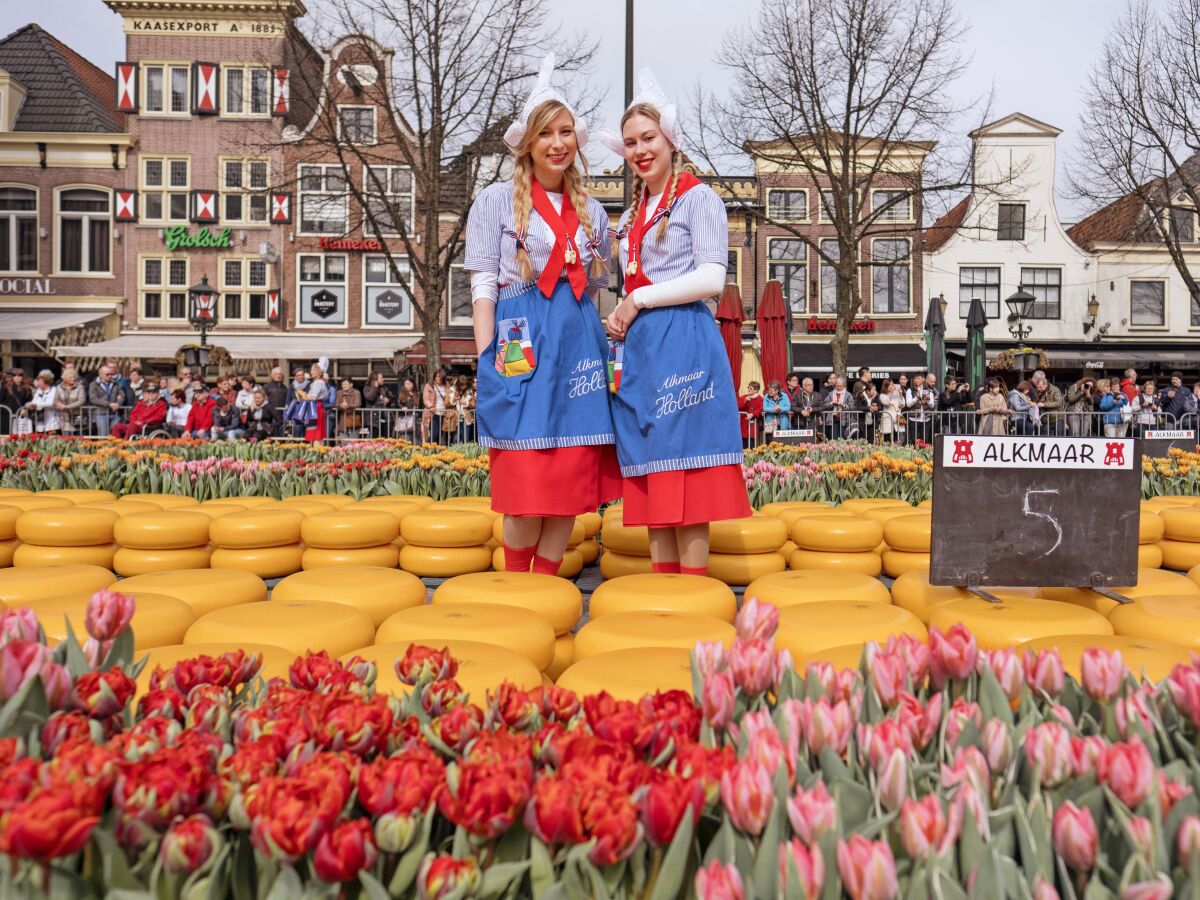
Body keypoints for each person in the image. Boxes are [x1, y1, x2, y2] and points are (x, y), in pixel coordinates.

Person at [466, 55, 621, 576]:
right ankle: (516, 586)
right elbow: (484, 281)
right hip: (519, 333)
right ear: (527, 142)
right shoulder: (492, 201)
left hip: (576, 343)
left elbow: (597, 282)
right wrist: (487, 355)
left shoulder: (594, 212)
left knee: (566, 485)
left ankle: (545, 587)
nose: (559, 143)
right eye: (546, 133)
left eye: (567, 132)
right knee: (525, 480)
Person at [600, 68, 750, 575]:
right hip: (642, 349)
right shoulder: (628, 216)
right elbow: (612, 280)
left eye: (648, 138)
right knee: (655, 472)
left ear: (670, 140)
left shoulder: (699, 198)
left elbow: (712, 276)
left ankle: (692, 594)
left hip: (684, 339)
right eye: (630, 143)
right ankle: (665, 593)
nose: (640, 150)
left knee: (687, 472)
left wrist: (637, 301)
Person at [87, 365, 122, 437]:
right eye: (107, 374)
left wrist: (118, 404)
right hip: (101, 414)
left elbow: (122, 395)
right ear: (101, 374)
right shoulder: (94, 384)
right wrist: (109, 404)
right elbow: (93, 399)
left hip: (114, 413)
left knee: (115, 435)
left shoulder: (116, 383)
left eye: (111, 374)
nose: (110, 376)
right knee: (103, 436)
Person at [904, 373, 936, 444]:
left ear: (923, 379)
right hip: (914, 419)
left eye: (918, 378)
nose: (916, 380)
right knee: (914, 441)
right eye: (915, 378)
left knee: (925, 440)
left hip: (926, 419)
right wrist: (916, 398)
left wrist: (928, 400)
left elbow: (932, 405)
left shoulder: (929, 390)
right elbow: (908, 404)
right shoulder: (910, 390)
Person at [1030, 371, 1064, 435]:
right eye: (1037, 387)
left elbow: (1058, 402)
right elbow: (1035, 402)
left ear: (1045, 384)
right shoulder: (1038, 391)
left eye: (1040, 387)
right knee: (1046, 439)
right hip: (1045, 419)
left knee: (1059, 438)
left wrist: (1044, 404)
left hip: (1057, 418)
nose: (1039, 389)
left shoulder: (1055, 389)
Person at [362, 372, 393, 437]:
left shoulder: (384, 388)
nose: (383, 379)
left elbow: (392, 398)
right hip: (373, 419)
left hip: (384, 417)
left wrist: (388, 400)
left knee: (385, 437)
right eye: (381, 378)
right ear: (375, 379)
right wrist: (375, 387)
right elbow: (370, 398)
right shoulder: (367, 388)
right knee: (374, 438)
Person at [55, 369, 86, 435]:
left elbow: (81, 400)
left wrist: (66, 407)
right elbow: (55, 400)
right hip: (64, 419)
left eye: (74, 377)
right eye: (70, 377)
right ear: (65, 378)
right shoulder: (59, 387)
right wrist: (58, 404)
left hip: (77, 418)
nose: (73, 379)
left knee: (79, 440)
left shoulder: (80, 387)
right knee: (66, 440)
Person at [424, 368, 449, 444]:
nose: (439, 378)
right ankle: (429, 450)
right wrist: (431, 406)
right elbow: (425, 398)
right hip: (433, 413)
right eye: (437, 376)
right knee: (434, 434)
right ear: (434, 376)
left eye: (441, 377)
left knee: (440, 435)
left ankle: (436, 452)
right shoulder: (429, 386)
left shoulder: (447, 385)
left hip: (444, 414)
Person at [878, 378, 904, 443]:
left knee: (897, 440)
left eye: (893, 384)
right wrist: (893, 392)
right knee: (887, 440)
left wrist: (900, 395)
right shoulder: (882, 395)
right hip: (887, 420)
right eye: (890, 385)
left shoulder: (896, 394)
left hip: (897, 419)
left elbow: (902, 404)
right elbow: (887, 402)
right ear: (886, 386)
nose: (892, 386)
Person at [738, 381, 763, 446]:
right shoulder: (744, 397)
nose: (748, 389)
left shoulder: (759, 398)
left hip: (753, 424)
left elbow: (760, 409)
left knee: (752, 444)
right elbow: (738, 406)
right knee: (743, 443)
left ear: (756, 390)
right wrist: (745, 401)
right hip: (744, 424)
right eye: (748, 387)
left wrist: (752, 414)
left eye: (751, 388)